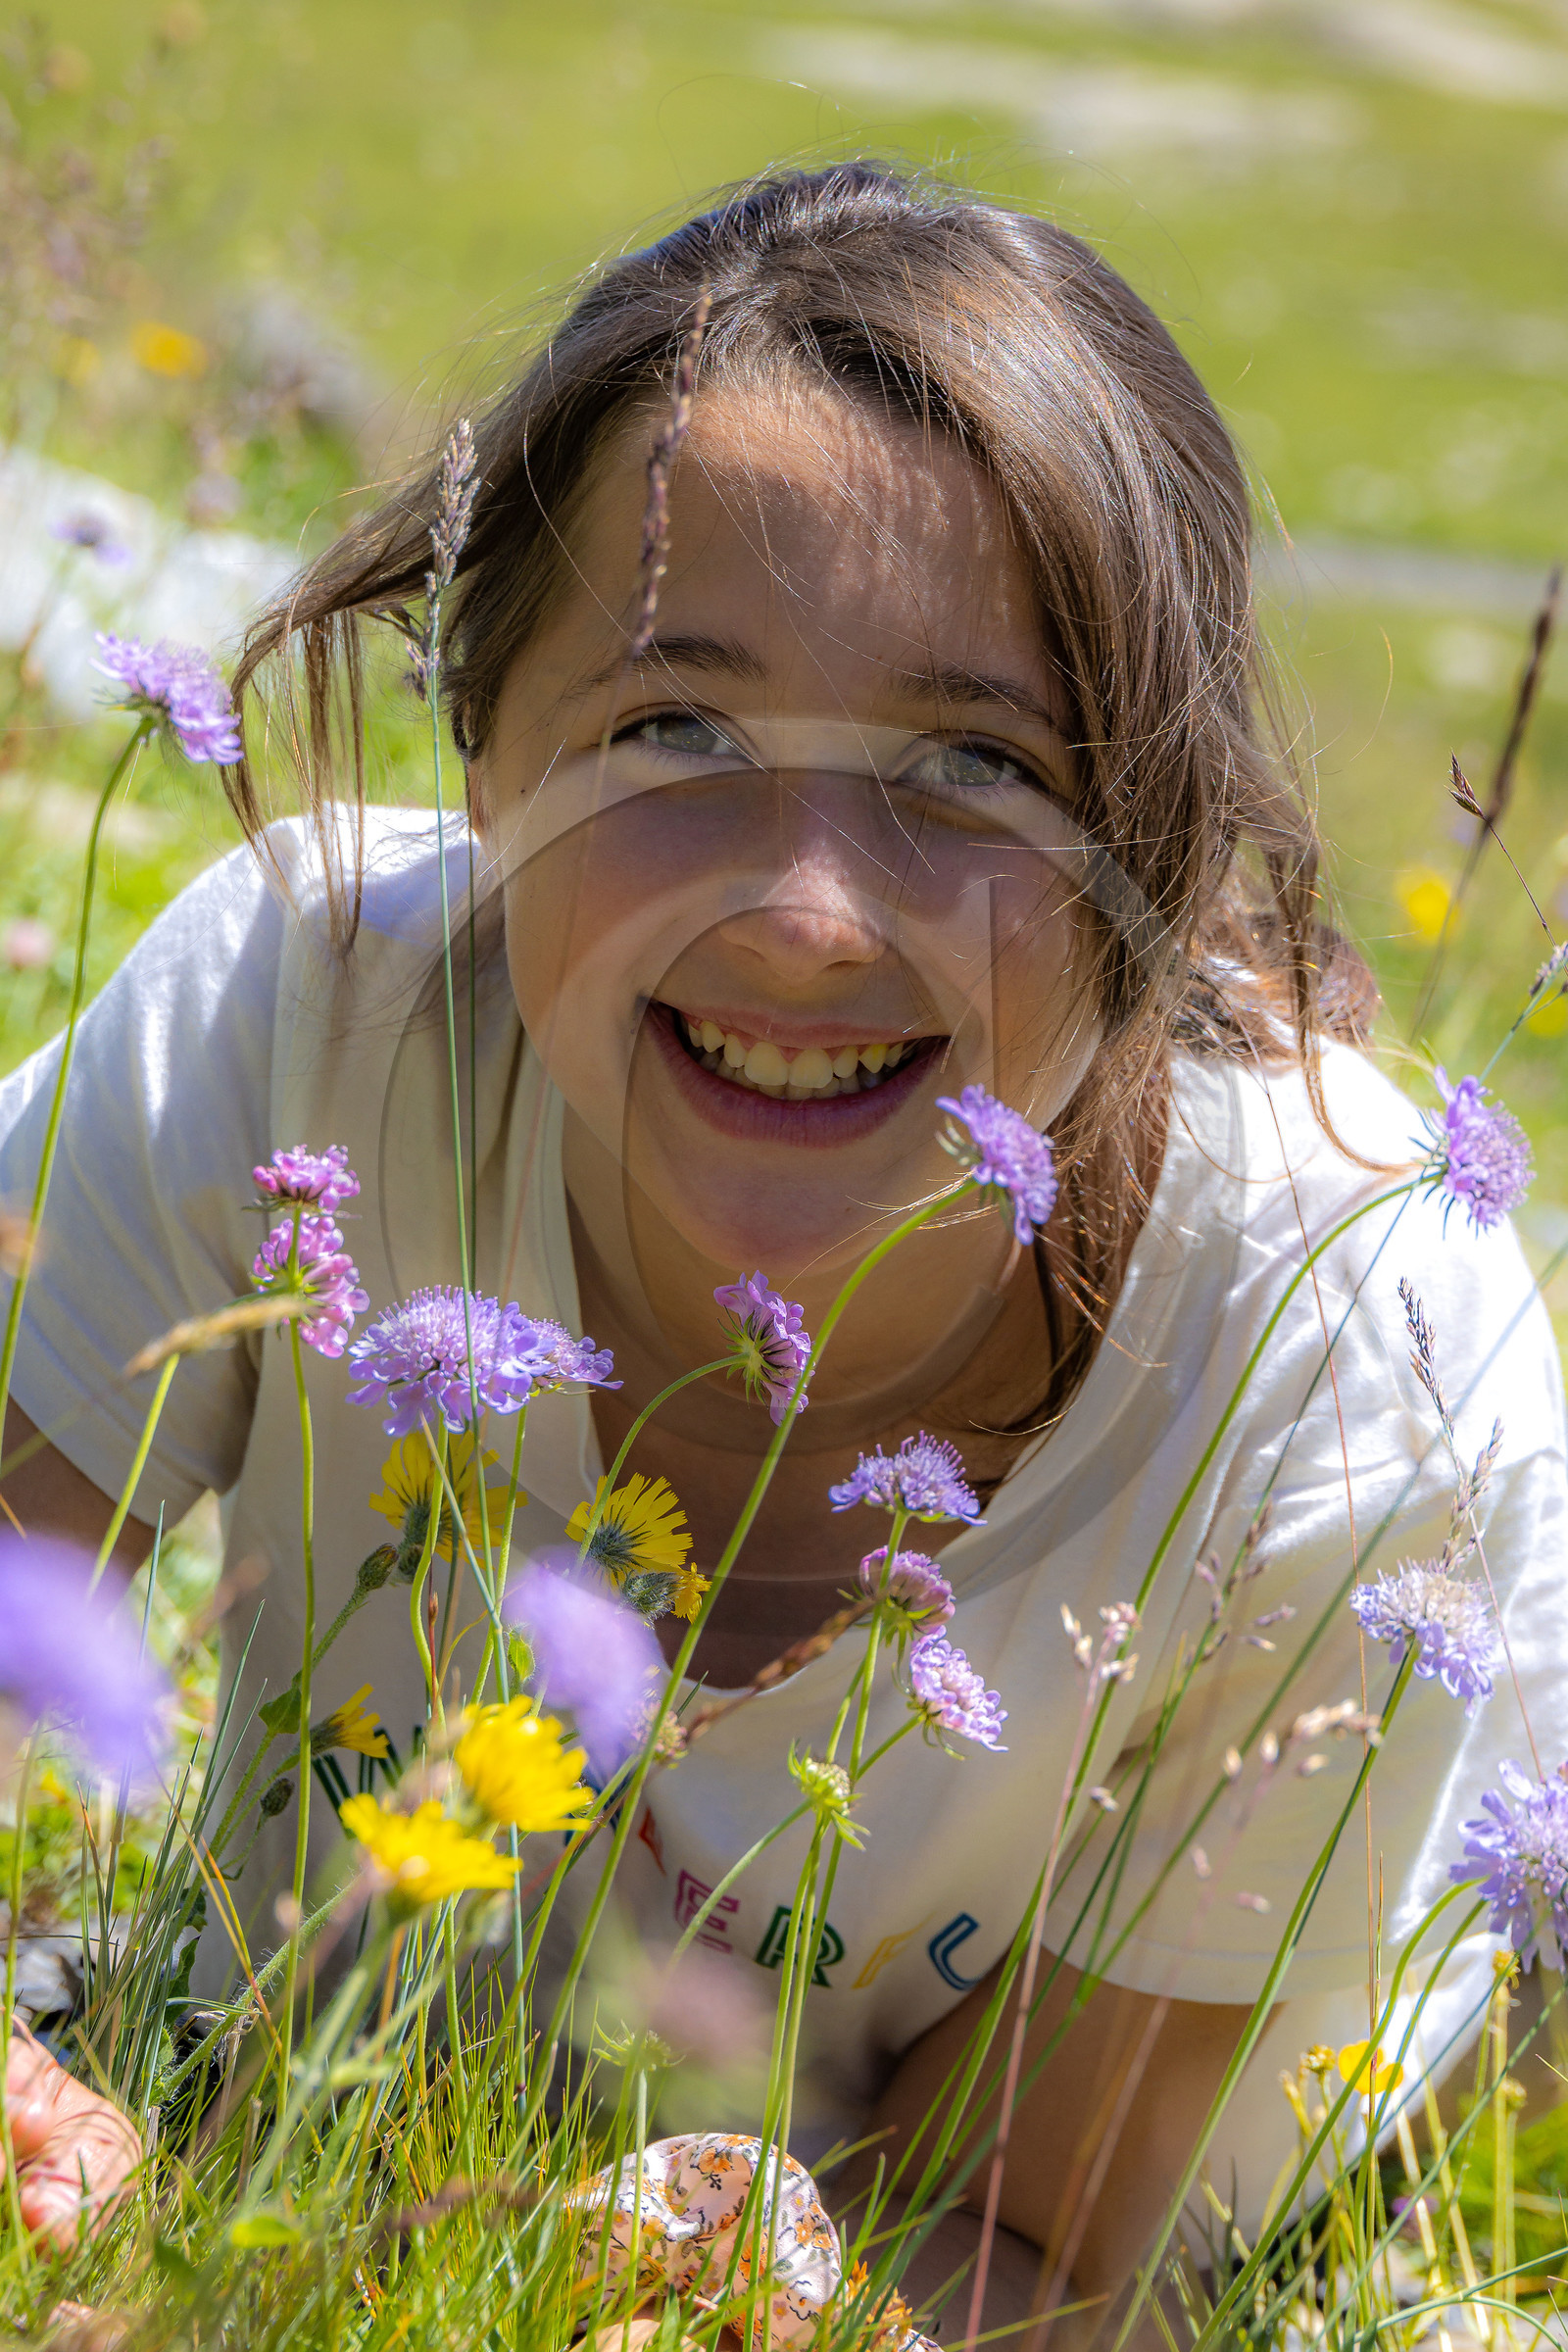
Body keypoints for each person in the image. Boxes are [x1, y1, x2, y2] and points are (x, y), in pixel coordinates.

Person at [2, 165, 1563, 2340]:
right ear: (482, 750)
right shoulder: (298, 1026)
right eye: (673, 729)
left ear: (1162, 846)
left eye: (969, 765)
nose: (806, 914)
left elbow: (1017, 2244)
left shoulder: (1353, 1380)